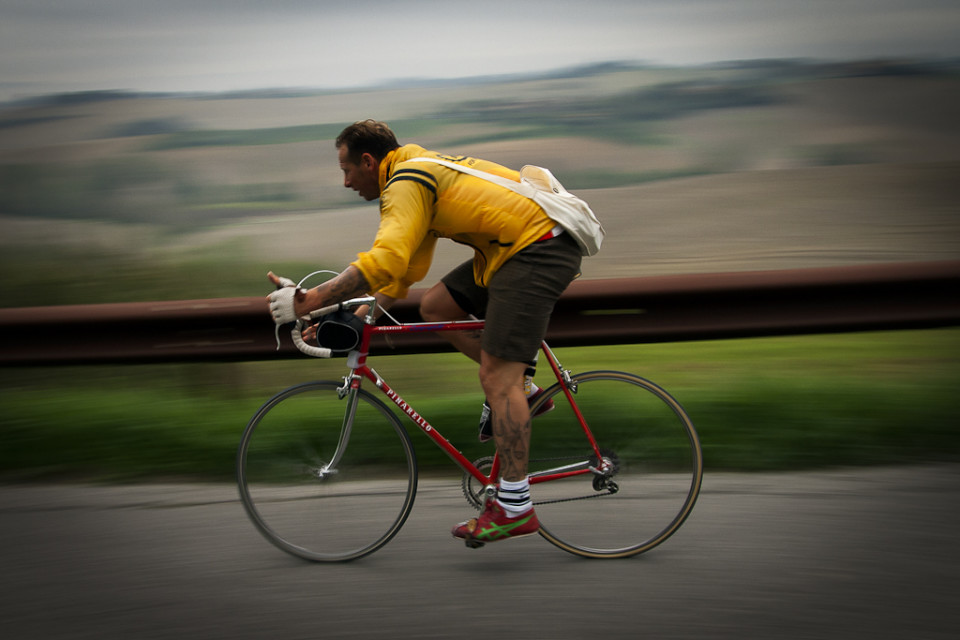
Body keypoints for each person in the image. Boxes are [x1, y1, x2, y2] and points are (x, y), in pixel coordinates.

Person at [267, 119, 583, 546]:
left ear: (367, 161)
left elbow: (384, 262)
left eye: (346, 170)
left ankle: (514, 506)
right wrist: (356, 313)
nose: (345, 182)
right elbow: (405, 272)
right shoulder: (414, 169)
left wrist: (306, 302)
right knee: (436, 306)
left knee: (497, 377)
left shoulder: (405, 181)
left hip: (536, 247)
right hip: (515, 246)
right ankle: (522, 394)